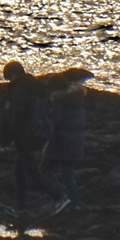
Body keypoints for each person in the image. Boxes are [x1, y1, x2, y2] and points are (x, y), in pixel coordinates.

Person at [0, 60, 54, 216]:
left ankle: (58, 197)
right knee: (20, 172)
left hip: (24, 136)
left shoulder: (20, 90)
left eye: (9, 77)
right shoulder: (35, 87)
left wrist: (7, 136)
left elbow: (17, 116)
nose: (9, 81)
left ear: (13, 75)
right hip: (34, 133)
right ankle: (19, 206)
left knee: (32, 172)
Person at [41, 67, 94, 214]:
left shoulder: (60, 101)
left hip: (60, 142)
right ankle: (74, 203)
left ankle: (62, 198)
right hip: (75, 141)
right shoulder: (77, 99)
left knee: (43, 171)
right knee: (68, 174)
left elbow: (54, 122)